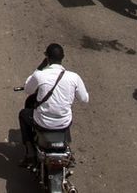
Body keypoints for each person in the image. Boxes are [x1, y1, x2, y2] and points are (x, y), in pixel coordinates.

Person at [19, 43, 88, 171]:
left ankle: (29, 150)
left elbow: (28, 90)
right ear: (63, 57)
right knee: (66, 115)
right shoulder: (74, 77)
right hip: (63, 123)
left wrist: (39, 68)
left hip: (42, 122)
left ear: (47, 58)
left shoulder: (40, 75)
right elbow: (84, 99)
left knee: (23, 114)